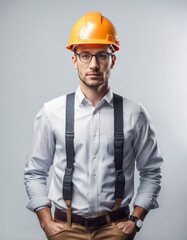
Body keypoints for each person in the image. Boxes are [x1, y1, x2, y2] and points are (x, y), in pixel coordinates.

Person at [24, 12, 163, 240]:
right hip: (65, 228)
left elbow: (151, 171)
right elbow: (35, 171)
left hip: (115, 228)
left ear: (113, 60)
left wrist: (136, 219)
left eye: (102, 56)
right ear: (74, 59)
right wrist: (45, 221)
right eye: (86, 56)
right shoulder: (52, 112)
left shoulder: (134, 114)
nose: (94, 65)